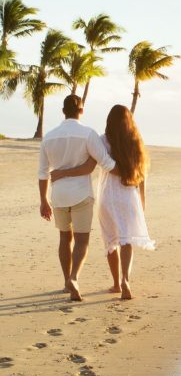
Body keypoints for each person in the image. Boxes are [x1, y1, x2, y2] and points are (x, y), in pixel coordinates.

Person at [51, 105, 154, 300]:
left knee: (110, 241)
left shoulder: (102, 141)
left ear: (109, 121)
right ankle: (125, 280)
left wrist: (62, 173)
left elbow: (88, 167)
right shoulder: (135, 141)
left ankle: (116, 283)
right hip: (128, 195)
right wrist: (142, 201)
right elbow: (142, 175)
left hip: (108, 196)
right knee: (126, 240)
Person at [38, 94, 116, 301]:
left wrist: (43, 200)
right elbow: (105, 162)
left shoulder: (49, 136)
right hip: (81, 194)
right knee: (82, 240)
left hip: (58, 195)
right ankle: (74, 277)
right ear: (81, 110)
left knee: (65, 237)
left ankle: (66, 282)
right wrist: (130, 173)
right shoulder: (88, 134)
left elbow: (43, 173)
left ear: (63, 111)